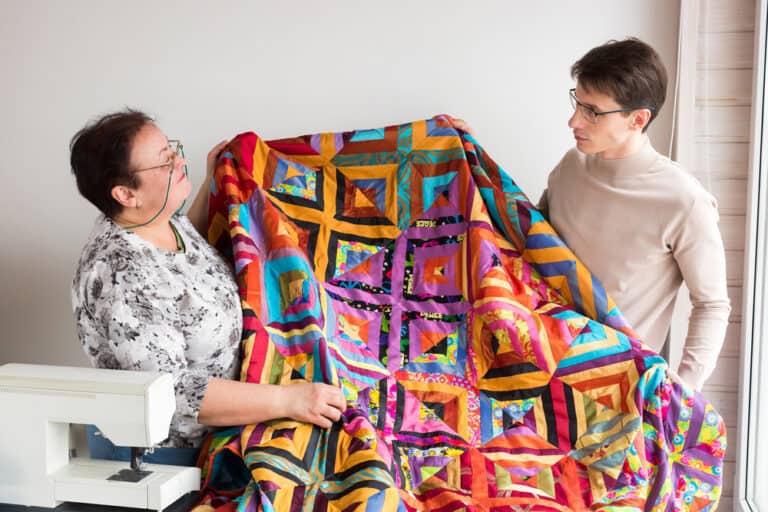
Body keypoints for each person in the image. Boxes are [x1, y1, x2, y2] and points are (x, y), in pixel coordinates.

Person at [452, 38, 731, 391]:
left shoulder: (684, 201)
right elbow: (526, 240)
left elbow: (712, 304)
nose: (574, 121)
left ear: (638, 119)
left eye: (592, 112)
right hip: (534, 367)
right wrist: (474, 160)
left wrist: (684, 388)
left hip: (615, 390)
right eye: (577, 103)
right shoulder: (571, 166)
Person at [70, 110, 347, 461]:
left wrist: (211, 184)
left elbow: (181, 265)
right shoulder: (120, 275)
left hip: (237, 424)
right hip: (173, 458)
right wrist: (291, 400)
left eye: (172, 149)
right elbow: (172, 392)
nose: (179, 159)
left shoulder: (154, 219)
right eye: (165, 161)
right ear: (126, 194)